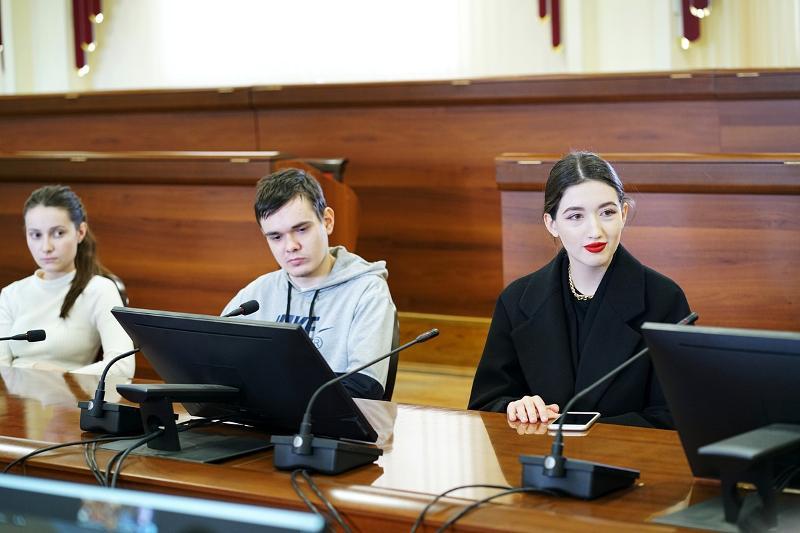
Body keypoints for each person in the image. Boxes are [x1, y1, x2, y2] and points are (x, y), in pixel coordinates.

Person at [468, 152, 690, 429]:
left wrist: (587, 437)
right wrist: (513, 407)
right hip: (540, 455)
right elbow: (486, 404)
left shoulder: (665, 300)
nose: (595, 231)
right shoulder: (516, 300)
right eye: (575, 216)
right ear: (551, 224)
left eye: (607, 213)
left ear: (623, 214)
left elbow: (676, 418)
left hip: (625, 455)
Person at [222, 168, 397, 400]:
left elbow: (366, 387)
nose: (290, 246)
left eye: (301, 229)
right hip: (262, 418)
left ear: (327, 221)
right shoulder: (256, 294)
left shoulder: (367, 291)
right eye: (276, 237)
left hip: (333, 421)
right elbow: (216, 366)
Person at [0, 185, 135, 377]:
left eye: (58, 233)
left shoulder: (100, 289)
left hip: (70, 393)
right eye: (36, 235)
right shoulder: (11, 294)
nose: (46, 247)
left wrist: (64, 377)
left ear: (80, 232)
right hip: (14, 393)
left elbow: (122, 367)